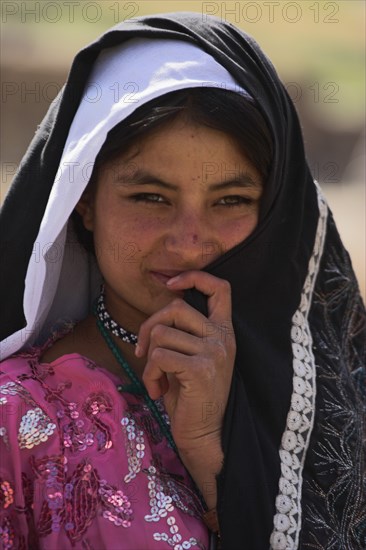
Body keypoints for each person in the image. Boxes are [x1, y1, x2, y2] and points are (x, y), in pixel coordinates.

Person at [0, 11, 365, 550]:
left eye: (231, 201)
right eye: (150, 197)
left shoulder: (342, 395)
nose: (190, 241)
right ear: (84, 203)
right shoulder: (19, 422)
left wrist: (216, 464)